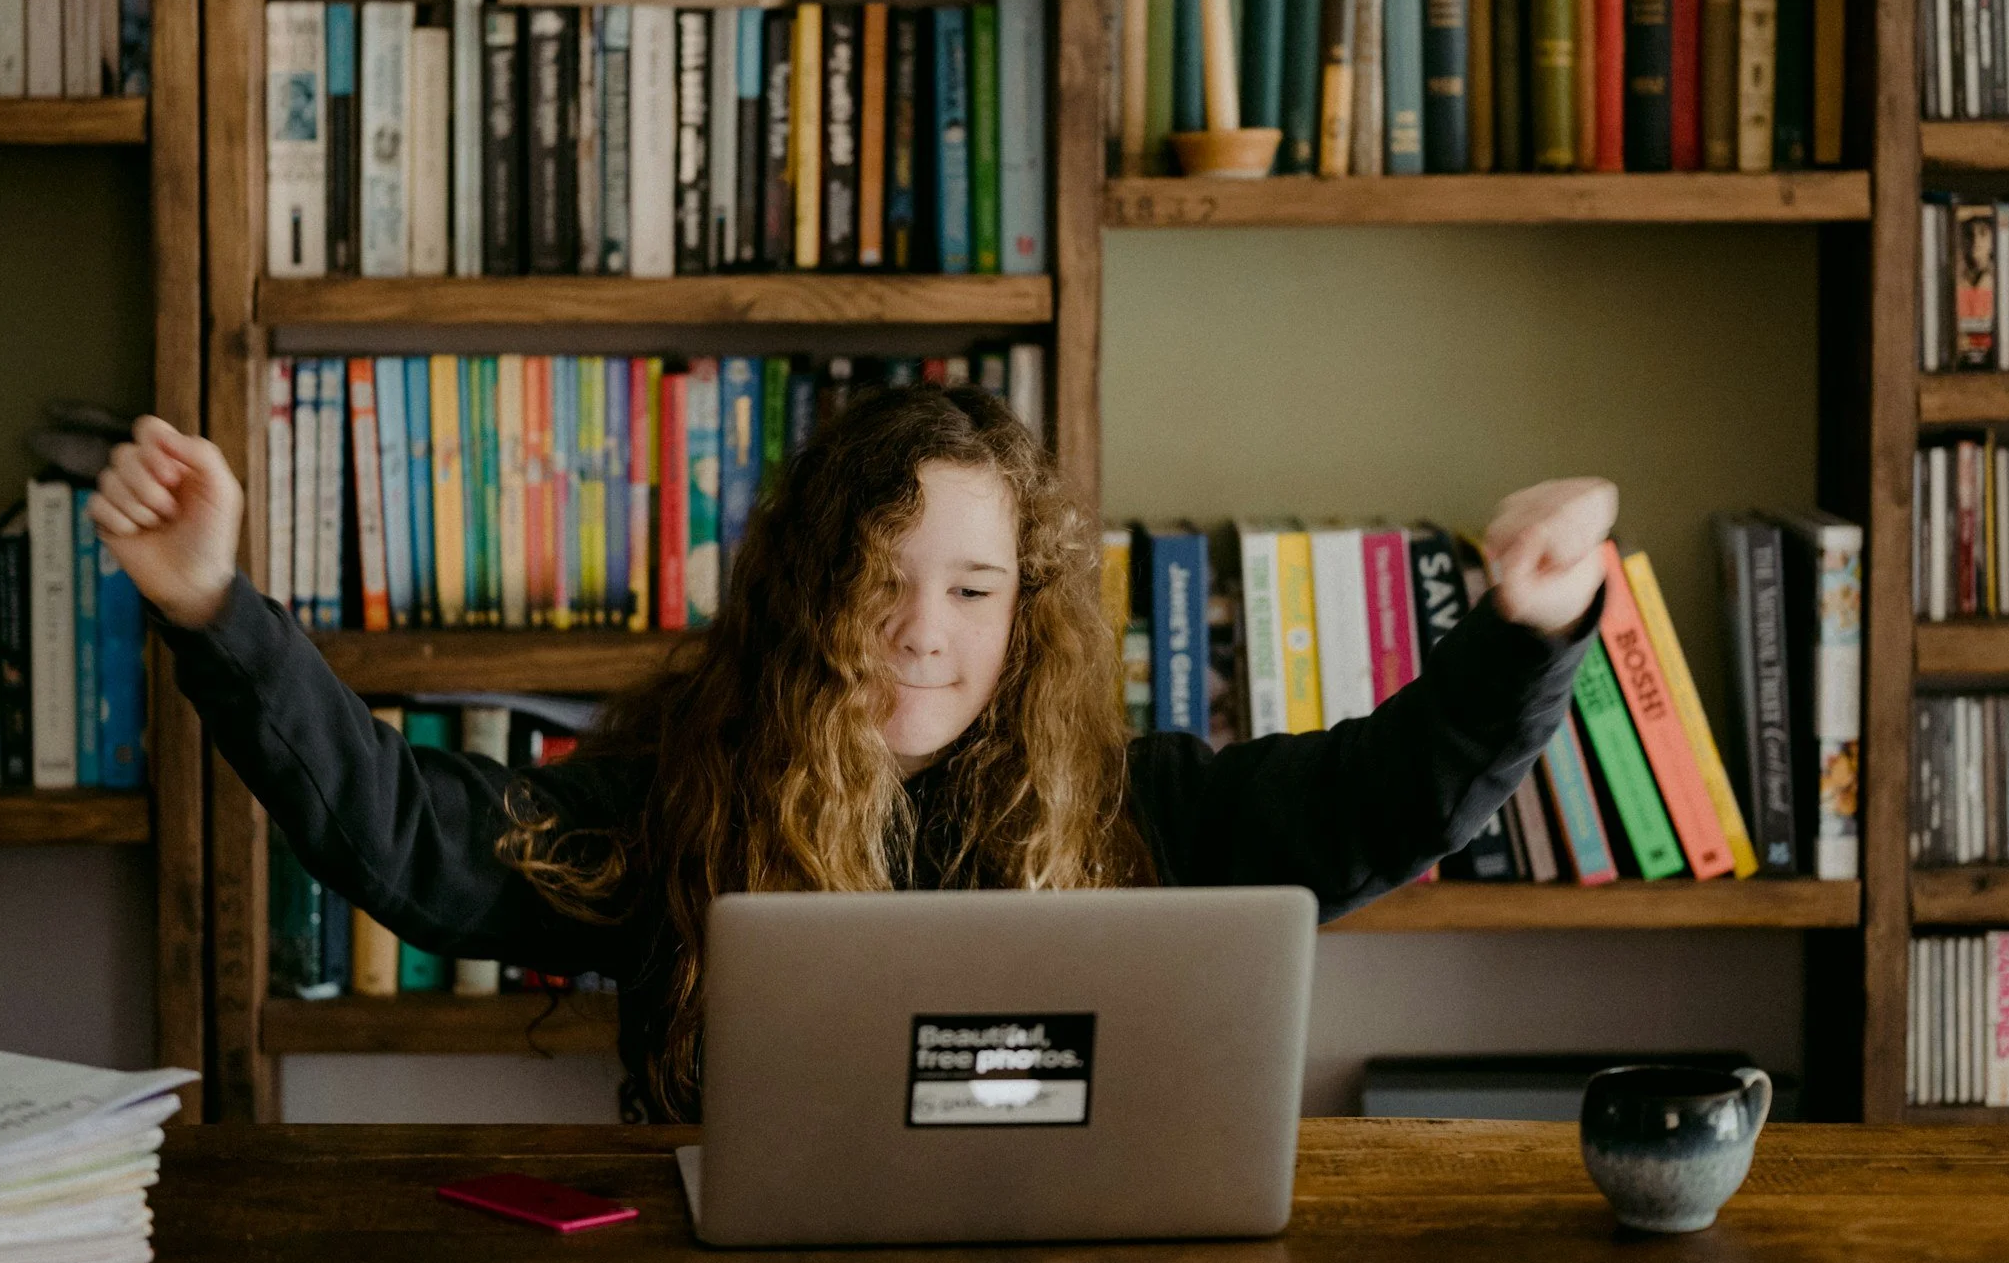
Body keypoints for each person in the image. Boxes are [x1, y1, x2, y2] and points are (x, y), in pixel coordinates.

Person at [94, 385, 1616, 1123]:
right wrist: (217, 610)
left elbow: (1375, 803)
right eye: (877, 580)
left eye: (971, 589)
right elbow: (412, 837)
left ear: (1026, 613)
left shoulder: (1137, 808)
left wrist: (1528, 632)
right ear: (808, 591)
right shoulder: (685, 805)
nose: (921, 632)